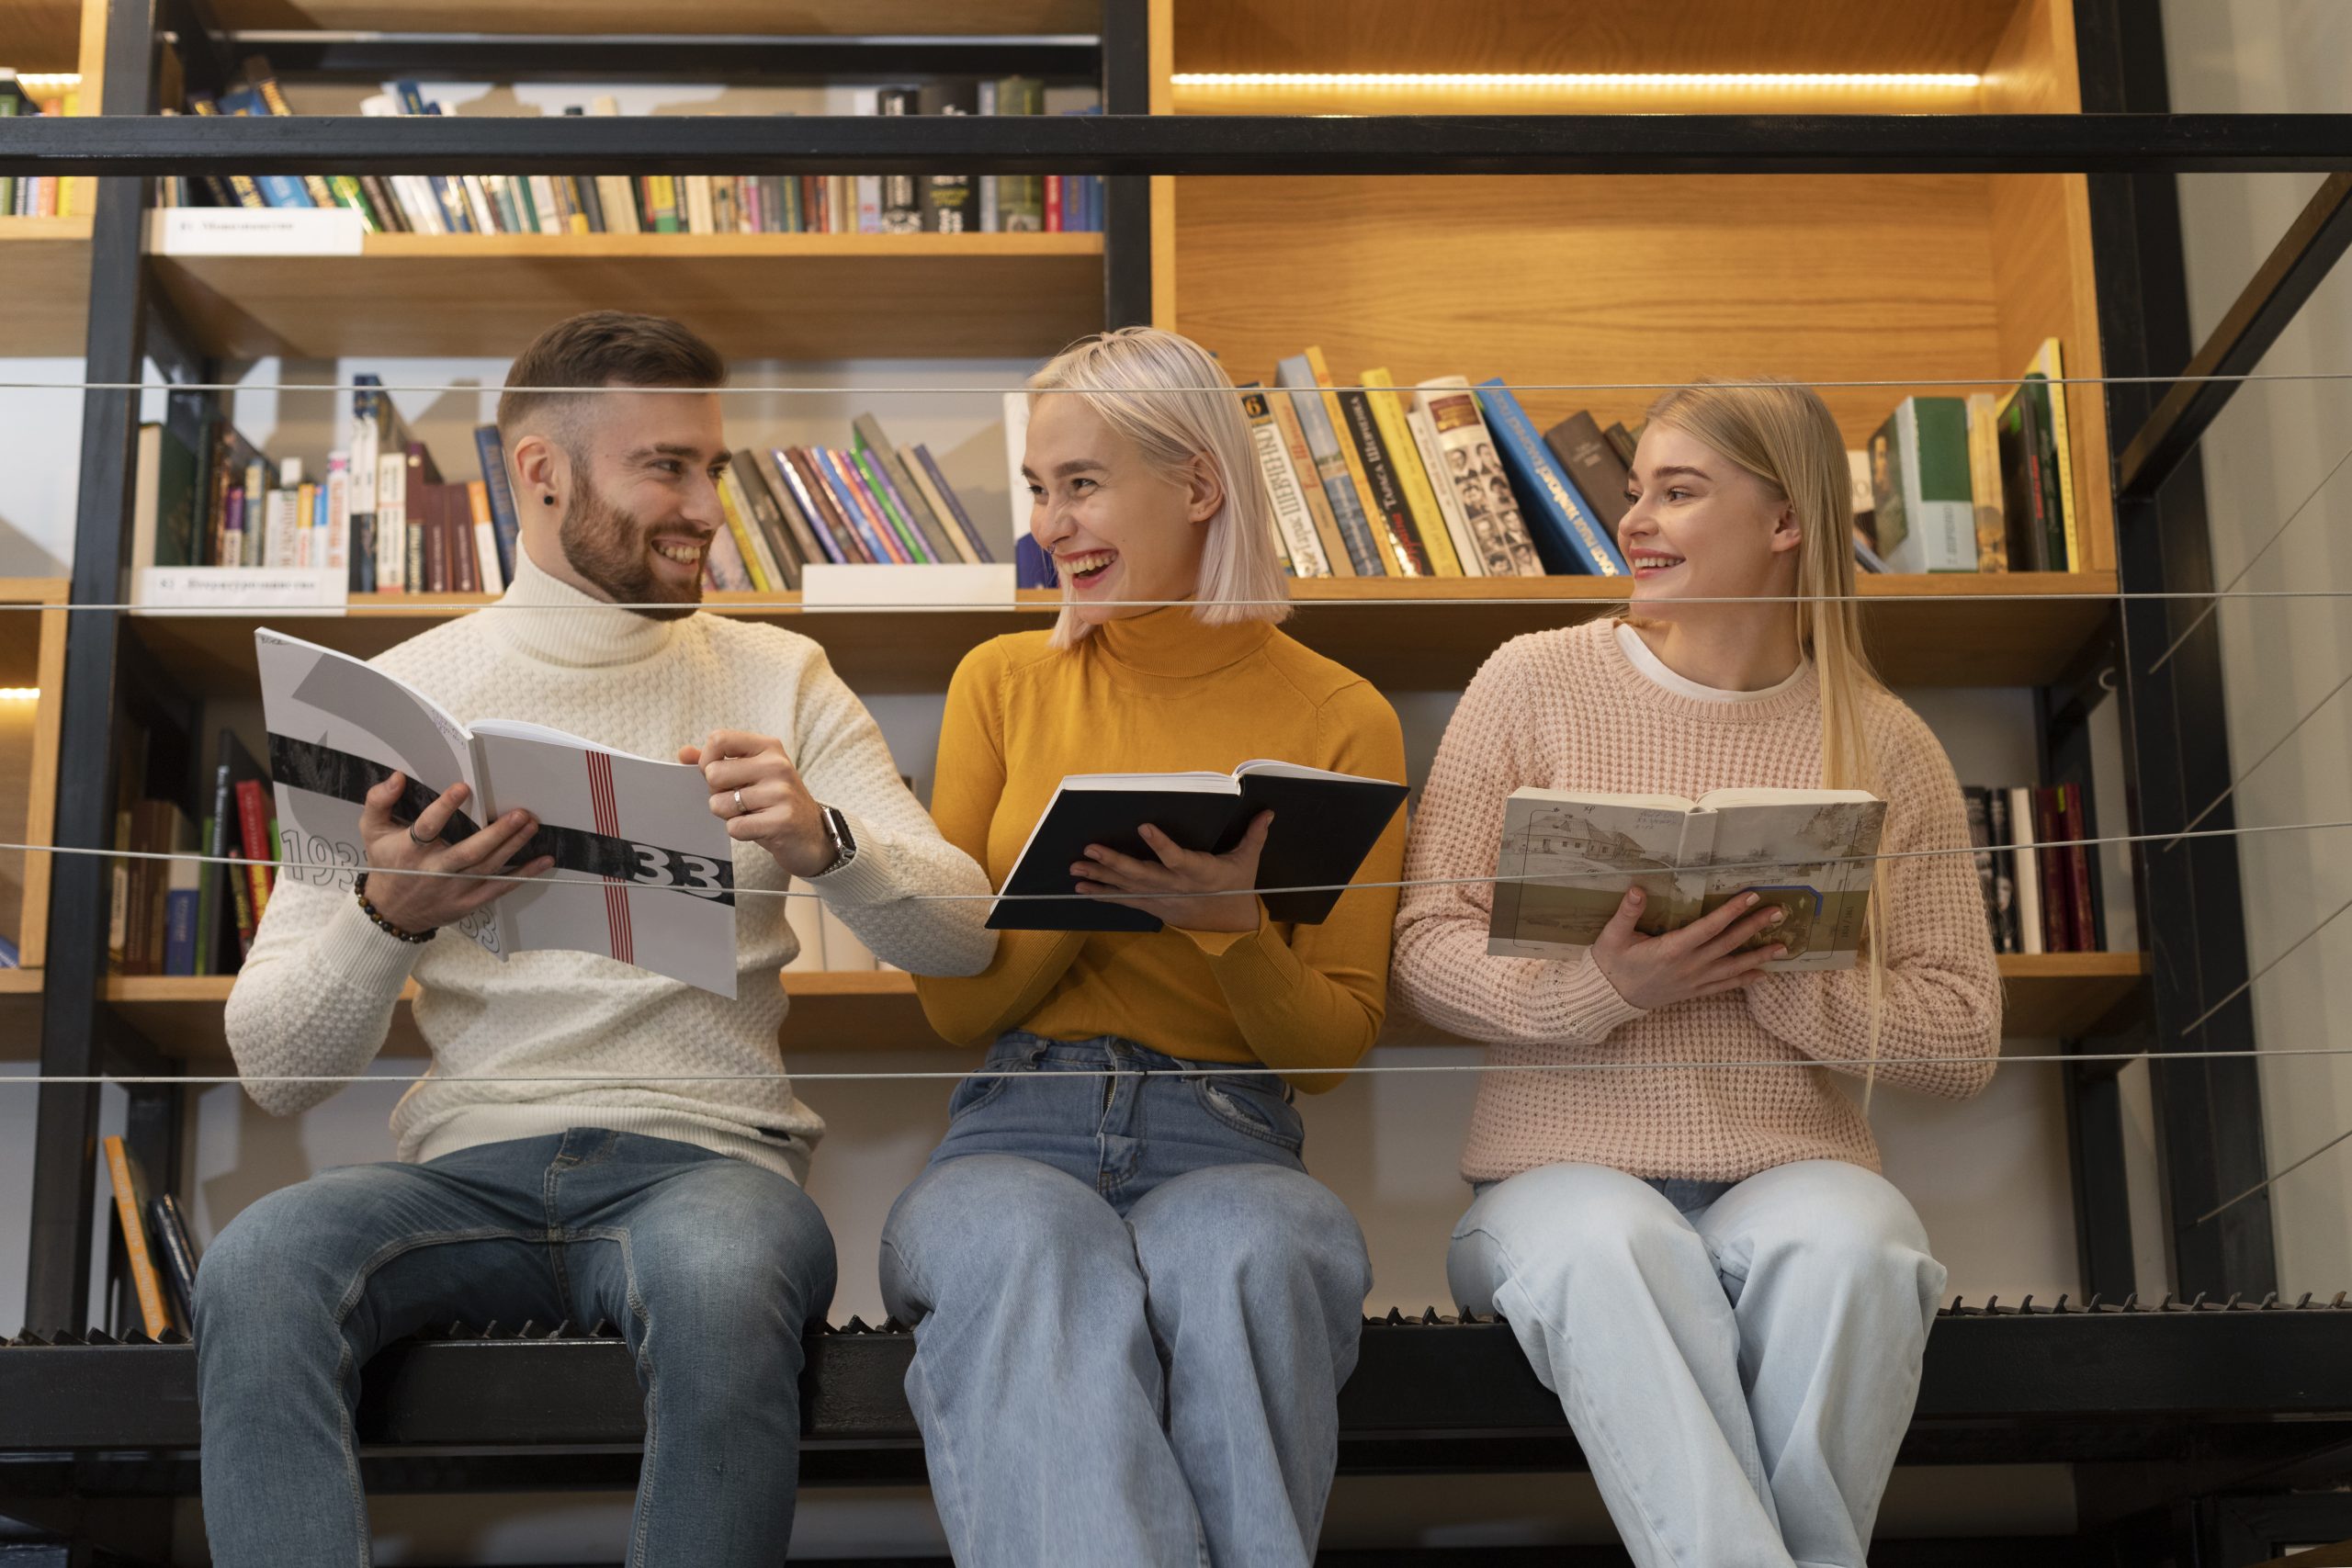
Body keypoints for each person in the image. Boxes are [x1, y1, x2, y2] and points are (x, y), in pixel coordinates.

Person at [194, 310, 996, 1565]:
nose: (705, 509)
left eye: (712, 469)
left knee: (727, 1279)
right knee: (257, 1264)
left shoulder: (782, 676)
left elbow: (964, 937)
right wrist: (381, 921)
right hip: (464, 1171)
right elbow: (276, 1063)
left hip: (705, 1167)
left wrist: (828, 840)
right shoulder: (392, 701)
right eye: (664, 467)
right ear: (542, 471)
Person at [1391, 378, 2000, 1568]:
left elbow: (1961, 1033)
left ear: (1785, 524)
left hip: (1791, 1170)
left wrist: (1773, 977)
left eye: (1679, 492)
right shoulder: (1531, 678)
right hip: (1552, 1186)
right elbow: (1424, 950)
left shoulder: (1886, 740)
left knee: (1862, 1248)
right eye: (1636, 493)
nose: (1634, 521)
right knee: (1626, 1249)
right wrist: (1613, 989)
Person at [882, 327, 1408, 1567]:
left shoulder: (1341, 713)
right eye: (1038, 490)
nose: (1051, 525)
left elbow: (1334, 1043)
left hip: (1228, 1129)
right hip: (1013, 1126)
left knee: (1255, 1251)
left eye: (1081, 483)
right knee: (1030, 1251)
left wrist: (1232, 934)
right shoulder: (1002, 683)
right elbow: (953, 1012)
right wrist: (1084, 887)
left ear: (1198, 488)